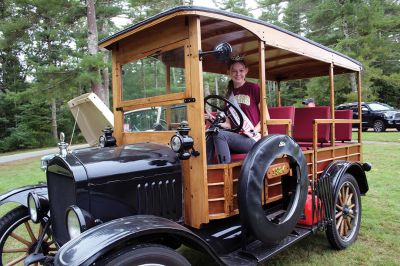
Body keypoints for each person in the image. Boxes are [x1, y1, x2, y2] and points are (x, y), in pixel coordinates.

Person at [205, 58, 261, 164]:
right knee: (212, 133)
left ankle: (225, 173)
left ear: (246, 71)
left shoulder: (254, 88)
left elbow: (266, 118)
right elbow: (229, 125)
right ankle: (207, 171)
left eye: (241, 70)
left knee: (220, 135)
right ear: (229, 72)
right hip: (237, 137)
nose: (238, 74)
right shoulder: (229, 95)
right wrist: (214, 119)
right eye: (234, 71)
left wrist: (253, 131)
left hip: (254, 139)